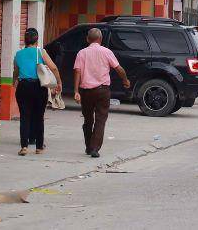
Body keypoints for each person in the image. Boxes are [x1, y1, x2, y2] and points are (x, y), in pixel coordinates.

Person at [74, 28, 130, 158]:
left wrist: (76, 91)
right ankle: (94, 148)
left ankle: (88, 146)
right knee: (100, 119)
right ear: (100, 39)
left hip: (86, 91)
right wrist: (125, 80)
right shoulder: (107, 52)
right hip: (102, 91)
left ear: (88, 39)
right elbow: (118, 68)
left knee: (88, 120)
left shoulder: (81, 53)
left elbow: (77, 71)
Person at [13, 27, 61, 156]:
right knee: (39, 116)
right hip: (38, 87)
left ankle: (24, 146)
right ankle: (39, 147)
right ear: (37, 39)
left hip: (23, 87)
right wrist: (59, 83)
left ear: (25, 40)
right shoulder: (41, 52)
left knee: (24, 117)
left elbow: (16, 71)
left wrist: (14, 82)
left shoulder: (18, 54)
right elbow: (54, 68)